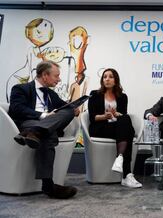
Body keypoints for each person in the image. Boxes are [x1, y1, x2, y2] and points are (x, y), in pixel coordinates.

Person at [9, 60, 80, 199]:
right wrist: (43, 115)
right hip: (28, 122)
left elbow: (64, 106)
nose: (59, 79)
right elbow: (16, 109)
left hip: (34, 130)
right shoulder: (20, 88)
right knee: (49, 134)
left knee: (68, 111)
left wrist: (74, 107)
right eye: (56, 76)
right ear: (45, 75)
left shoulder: (51, 94)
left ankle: (35, 132)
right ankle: (48, 186)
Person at [88, 68, 142, 188]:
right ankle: (127, 174)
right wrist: (104, 116)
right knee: (128, 130)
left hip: (117, 128)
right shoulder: (94, 94)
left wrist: (117, 114)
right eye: (105, 77)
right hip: (100, 127)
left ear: (116, 80)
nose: (107, 79)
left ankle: (120, 158)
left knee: (125, 119)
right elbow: (92, 117)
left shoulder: (122, 96)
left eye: (110, 77)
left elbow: (122, 116)